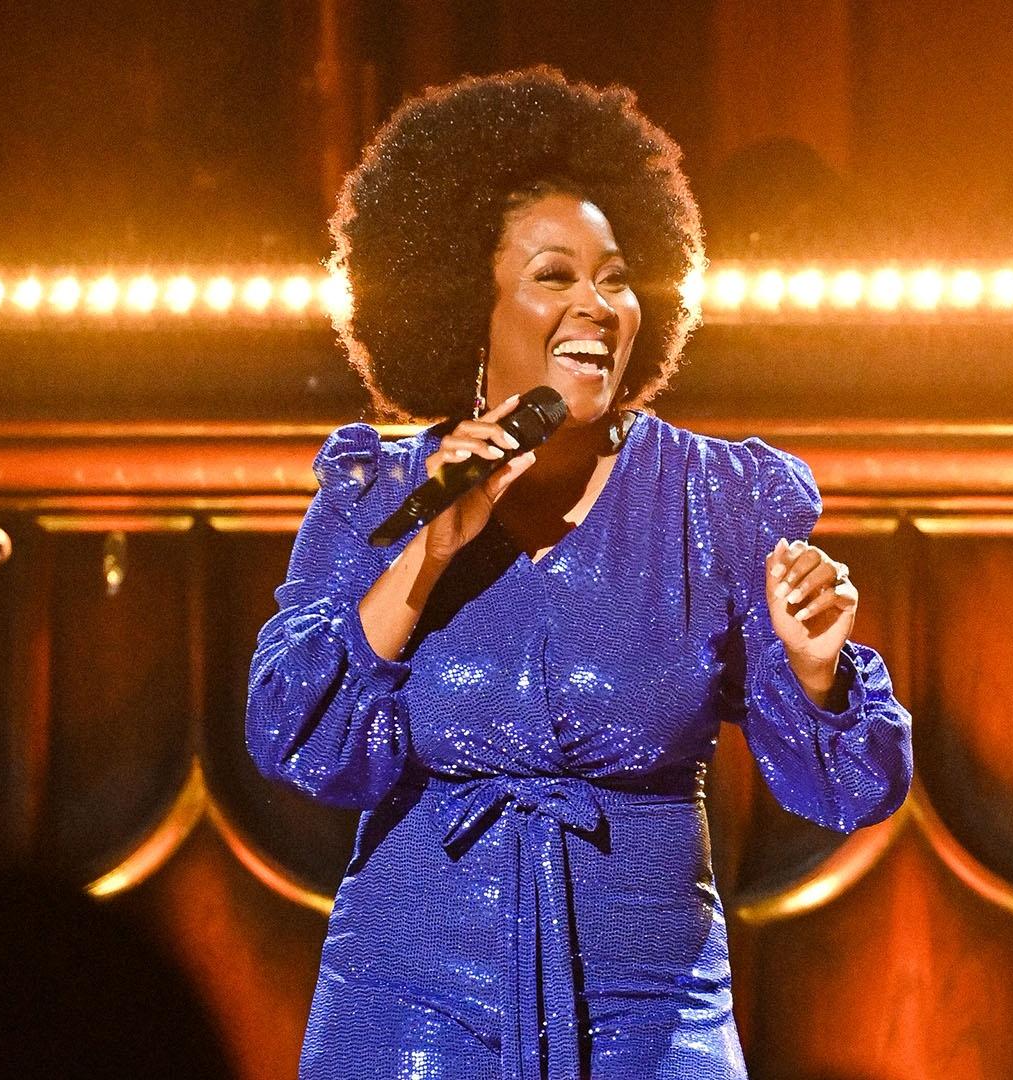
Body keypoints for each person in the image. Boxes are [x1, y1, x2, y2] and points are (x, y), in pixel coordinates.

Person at [246, 67, 912, 1080]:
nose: (596, 306)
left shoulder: (717, 499)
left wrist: (818, 674)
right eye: (556, 277)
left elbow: (846, 790)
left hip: (652, 1020)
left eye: (615, 276)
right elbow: (298, 739)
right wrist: (430, 551)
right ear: (469, 300)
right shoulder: (376, 490)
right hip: (407, 1012)